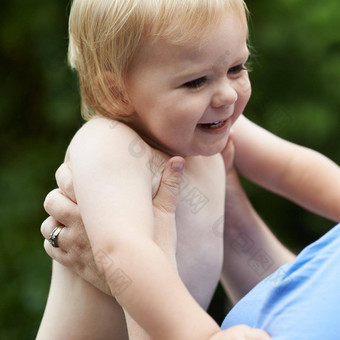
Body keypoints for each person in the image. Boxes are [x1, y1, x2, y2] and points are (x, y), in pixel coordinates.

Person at [37, 0, 340, 338]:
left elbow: (290, 167)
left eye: (237, 68)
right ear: (116, 90)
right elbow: (124, 248)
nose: (225, 94)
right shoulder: (108, 145)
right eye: (196, 82)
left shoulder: (210, 124)